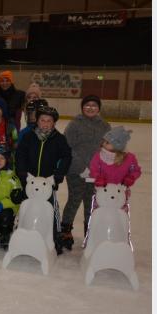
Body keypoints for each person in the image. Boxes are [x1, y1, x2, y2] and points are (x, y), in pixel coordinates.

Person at [15, 105, 72, 253]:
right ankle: (20, 235)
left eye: (49, 121)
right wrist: (22, 173)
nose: (45, 123)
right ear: (37, 120)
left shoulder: (59, 139)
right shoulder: (29, 137)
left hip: (48, 183)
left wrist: (57, 176)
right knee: (25, 208)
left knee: (52, 209)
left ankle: (54, 236)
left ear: (54, 123)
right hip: (30, 182)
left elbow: (66, 158)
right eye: (42, 120)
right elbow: (20, 155)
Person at [60, 95, 111, 249]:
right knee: (74, 199)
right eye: (87, 105)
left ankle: (89, 233)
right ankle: (65, 231)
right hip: (76, 170)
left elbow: (107, 148)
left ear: (99, 108)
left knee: (91, 203)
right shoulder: (74, 124)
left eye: (94, 105)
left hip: (96, 173)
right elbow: (67, 147)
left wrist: (100, 168)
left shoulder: (105, 126)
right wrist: (82, 167)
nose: (90, 108)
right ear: (82, 107)